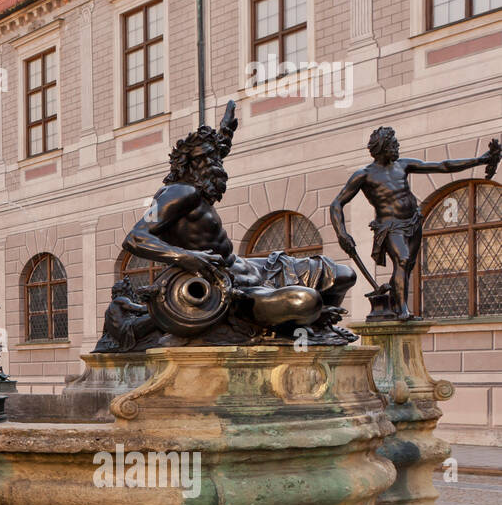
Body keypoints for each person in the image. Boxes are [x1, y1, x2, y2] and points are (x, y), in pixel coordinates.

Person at [123, 101, 356, 339]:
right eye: (208, 158)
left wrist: (226, 132)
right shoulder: (179, 193)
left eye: (216, 157)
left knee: (343, 274)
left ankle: (318, 328)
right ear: (189, 166)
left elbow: (216, 154)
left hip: (256, 268)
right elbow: (134, 238)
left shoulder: (201, 184)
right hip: (230, 288)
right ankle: (299, 329)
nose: (216, 163)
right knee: (307, 302)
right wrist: (187, 257)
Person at [330, 127, 500, 320]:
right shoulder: (364, 175)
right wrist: (341, 233)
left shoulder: (403, 165)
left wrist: (480, 160)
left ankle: (395, 306)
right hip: (390, 226)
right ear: (383, 147)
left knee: (407, 266)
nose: (397, 146)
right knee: (401, 259)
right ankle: (403, 310)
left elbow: (443, 166)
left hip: (413, 222)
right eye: (393, 144)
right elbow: (337, 203)